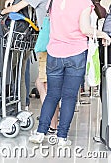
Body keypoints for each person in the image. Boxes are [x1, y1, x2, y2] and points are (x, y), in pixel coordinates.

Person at [29, 0, 111, 146]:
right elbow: (85, 29)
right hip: (76, 54)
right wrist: (103, 34)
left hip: (54, 53)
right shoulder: (83, 2)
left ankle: (41, 132)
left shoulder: (53, 1)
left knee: (52, 95)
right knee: (69, 97)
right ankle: (62, 137)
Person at [0, 0, 60, 135]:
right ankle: (52, 121)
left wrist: (0, 13)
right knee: (44, 83)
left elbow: (16, 8)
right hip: (56, 41)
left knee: (45, 85)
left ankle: (51, 124)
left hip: (48, 43)